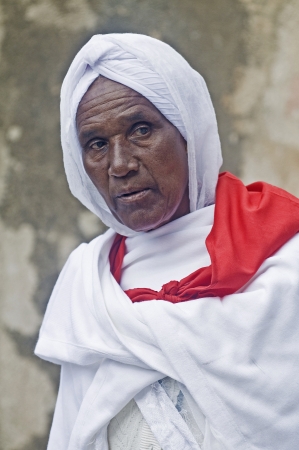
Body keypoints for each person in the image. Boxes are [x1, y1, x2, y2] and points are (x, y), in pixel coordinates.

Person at [35, 34, 299, 450]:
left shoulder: (286, 259)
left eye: (141, 130)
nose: (119, 165)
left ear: (189, 131)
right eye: (97, 145)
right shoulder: (89, 288)